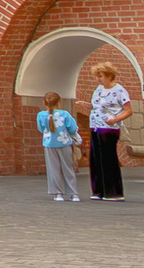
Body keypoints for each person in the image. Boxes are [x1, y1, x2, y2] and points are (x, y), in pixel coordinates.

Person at [85, 64, 131, 200]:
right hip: (95, 126)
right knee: (96, 159)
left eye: (100, 76)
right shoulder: (98, 89)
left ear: (109, 76)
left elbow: (128, 110)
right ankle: (99, 191)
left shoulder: (119, 90)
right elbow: (96, 106)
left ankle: (114, 192)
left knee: (108, 159)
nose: (98, 79)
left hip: (109, 128)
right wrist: (86, 105)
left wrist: (115, 120)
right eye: (97, 76)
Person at [35, 91, 81, 202]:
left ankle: (58, 194)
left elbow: (41, 129)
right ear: (59, 102)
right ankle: (73, 194)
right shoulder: (65, 114)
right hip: (65, 143)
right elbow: (73, 129)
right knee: (68, 168)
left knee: (53, 169)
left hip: (49, 144)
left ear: (44, 103)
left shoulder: (41, 115)